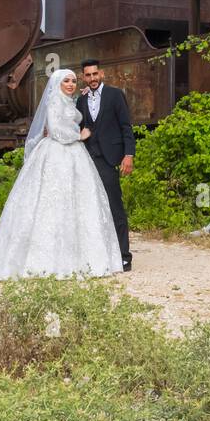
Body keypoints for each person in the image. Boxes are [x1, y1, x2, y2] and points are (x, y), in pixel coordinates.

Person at [0, 68, 124, 280]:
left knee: (79, 204)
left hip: (74, 156)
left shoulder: (69, 100)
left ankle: (78, 257)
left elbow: (73, 113)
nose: (70, 84)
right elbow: (57, 131)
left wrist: (82, 96)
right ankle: (44, 261)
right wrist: (79, 135)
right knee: (50, 202)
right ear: (57, 83)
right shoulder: (54, 101)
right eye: (66, 81)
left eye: (73, 81)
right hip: (58, 152)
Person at [77, 58, 134, 271]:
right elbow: (78, 126)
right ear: (84, 77)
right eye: (88, 75)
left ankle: (124, 256)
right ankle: (100, 253)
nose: (92, 78)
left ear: (101, 74)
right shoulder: (81, 100)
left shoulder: (115, 95)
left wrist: (128, 155)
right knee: (91, 207)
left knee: (114, 205)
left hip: (110, 159)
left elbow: (126, 127)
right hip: (88, 159)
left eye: (94, 74)